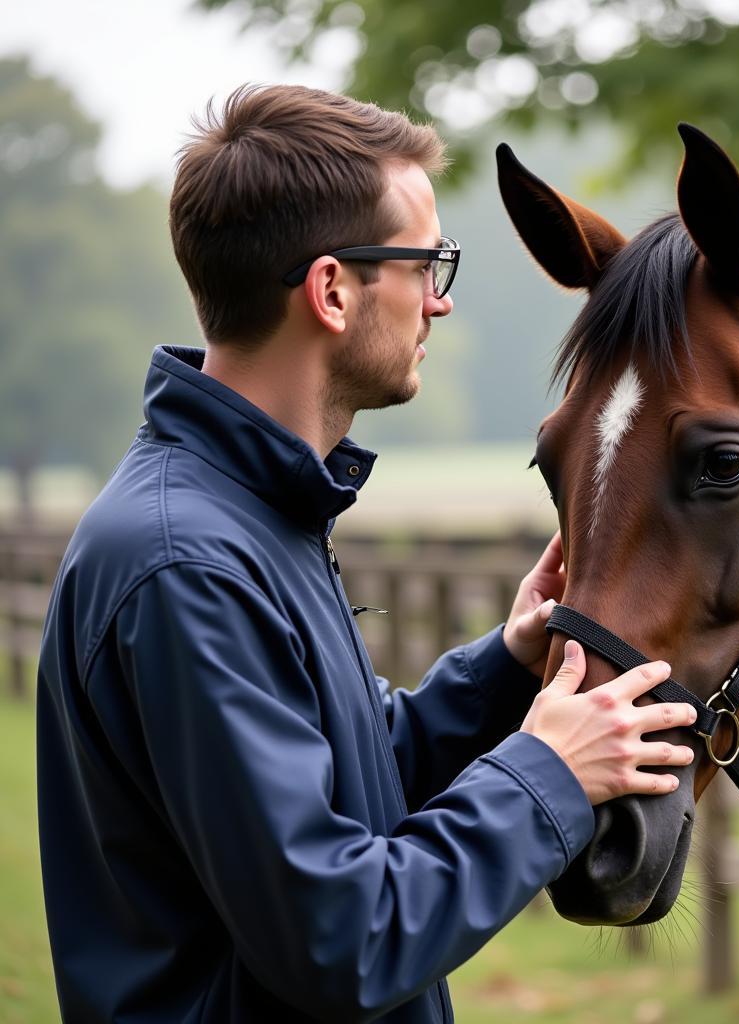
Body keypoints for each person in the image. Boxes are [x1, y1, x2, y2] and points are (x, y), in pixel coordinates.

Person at [36, 84, 697, 1023]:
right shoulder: (189, 566)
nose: (441, 301)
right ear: (333, 291)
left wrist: (503, 672)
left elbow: (340, 783)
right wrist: (548, 775)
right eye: (427, 264)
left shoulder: (249, 516)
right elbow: (339, 938)